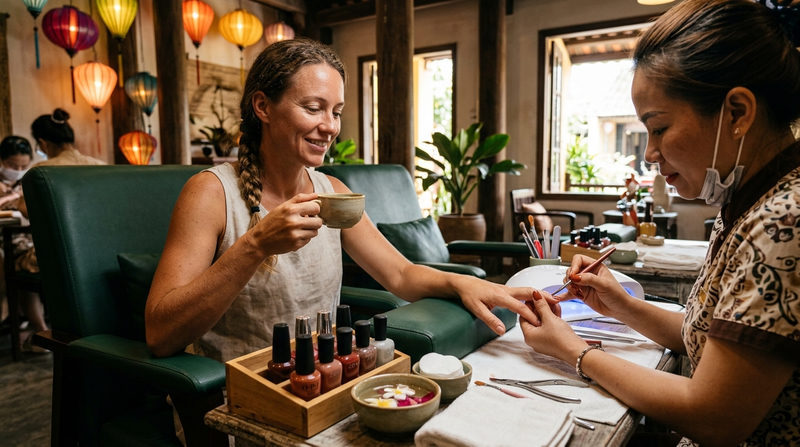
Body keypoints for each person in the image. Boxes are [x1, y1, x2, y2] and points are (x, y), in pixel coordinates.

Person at [145, 38, 543, 362]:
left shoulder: (332, 192)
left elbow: (400, 275)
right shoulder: (211, 192)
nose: (330, 127)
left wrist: (466, 283)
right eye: (313, 108)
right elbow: (160, 335)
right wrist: (256, 245)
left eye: (335, 112)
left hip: (325, 382)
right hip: (236, 397)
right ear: (263, 106)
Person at [520, 1, 800, 445]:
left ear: (737, 113)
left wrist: (572, 350)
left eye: (659, 128)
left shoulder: (784, 222)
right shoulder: (747, 202)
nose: (650, 153)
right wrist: (619, 305)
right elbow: (706, 337)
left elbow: (714, 417)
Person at [0, 135, 44, 352]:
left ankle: (40, 331)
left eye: (22, 166)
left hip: (28, 237)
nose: (17, 170)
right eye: (12, 166)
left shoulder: (29, 181)